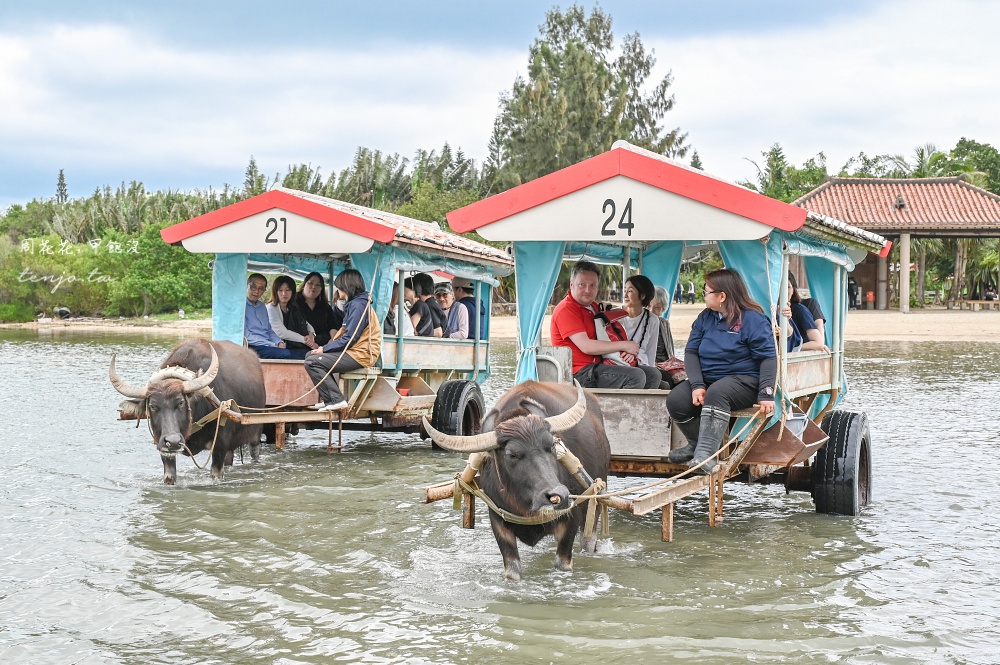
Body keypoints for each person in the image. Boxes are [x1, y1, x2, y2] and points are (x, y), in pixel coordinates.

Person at [666, 268, 777, 474]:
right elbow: (691, 352)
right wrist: (697, 385)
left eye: (706, 291)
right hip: (709, 379)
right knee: (676, 400)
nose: (703, 295)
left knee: (718, 392)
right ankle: (696, 444)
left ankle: (706, 456)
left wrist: (766, 393)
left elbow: (768, 358)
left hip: (745, 381)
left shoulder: (753, 319)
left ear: (722, 296)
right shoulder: (705, 317)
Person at [550, 261, 660, 390]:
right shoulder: (566, 309)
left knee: (654, 375)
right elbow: (586, 346)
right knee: (636, 376)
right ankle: (618, 410)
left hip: (602, 363)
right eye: (582, 285)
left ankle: (640, 409)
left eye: (593, 285)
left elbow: (610, 337)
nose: (587, 290)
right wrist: (625, 345)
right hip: (579, 372)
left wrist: (625, 352)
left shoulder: (593, 307)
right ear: (571, 285)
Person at [304, 269, 382, 411]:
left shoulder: (358, 305)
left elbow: (350, 338)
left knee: (312, 361)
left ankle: (337, 400)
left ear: (347, 287)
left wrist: (324, 349)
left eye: (340, 288)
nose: (338, 292)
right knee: (310, 356)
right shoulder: (356, 303)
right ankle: (330, 400)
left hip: (361, 354)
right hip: (355, 352)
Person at [244, 273, 297, 359]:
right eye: (253, 287)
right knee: (287, 354)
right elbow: (246, 335)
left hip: (267, 345)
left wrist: (279, 342)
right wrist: (271, 344)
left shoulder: (262, 306)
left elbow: (269, 330)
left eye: (261, 288)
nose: (256, 291)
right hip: (252, 346)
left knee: (300, 354)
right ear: (246, 286)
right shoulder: (241, 307)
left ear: (264, 290)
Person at [266, 275, 316, 359]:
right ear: (275, 292)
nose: (284, 294)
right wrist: (306, 340)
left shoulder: (293, 307)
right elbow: (281, 332)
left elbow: (306, 323)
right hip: (280, 345)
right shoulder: (271, 308)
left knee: (313, 355)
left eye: (288, 290)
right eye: (280, 290)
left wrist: (311, 334)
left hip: (295, 345)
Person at [619, 275, 659, 370]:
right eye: (625, 291)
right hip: (618, 364)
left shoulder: (652, 320)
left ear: (642, 295)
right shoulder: (614, 317)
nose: (625, 296)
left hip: (642, 366)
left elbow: (651, 353)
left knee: (656, 376)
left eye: (630, 291)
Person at [649, 285, 686, 387]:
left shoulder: (664, 323)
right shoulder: (642, 323)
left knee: (683, 381)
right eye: (648, 306)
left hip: (666, 365)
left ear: (663, 309)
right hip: (649, 365)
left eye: (657, 307)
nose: (651, 311)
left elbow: (670, 351)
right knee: (666, 379)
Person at [295, 272, 344, 347]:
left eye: (318, 285)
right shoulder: (293, 302)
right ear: (304, 285)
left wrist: (333, 339)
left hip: (323, 344)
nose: (314, 287)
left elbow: (332, 325)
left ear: (321, 289)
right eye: (310, 283)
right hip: (300, 343)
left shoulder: (325, 306)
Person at [783, 276, 830, 353]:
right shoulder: (769, 309)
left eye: (788, 287)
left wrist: (792, 349)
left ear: (793, 290)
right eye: (780, 286)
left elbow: (819, 342)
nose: (783, 290)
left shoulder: (801, 309)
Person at [789, 272, 826, 340]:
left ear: (793, 289)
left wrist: (820, 344)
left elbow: (819, 326)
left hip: (806, 345)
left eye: (788, 287)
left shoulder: (806, 306)